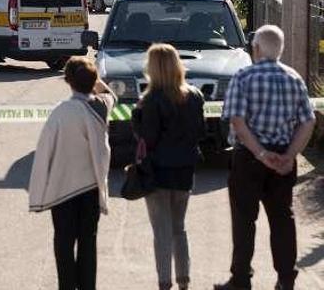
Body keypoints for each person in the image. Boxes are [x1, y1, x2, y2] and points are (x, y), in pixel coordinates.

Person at [215, 25, 316, 290]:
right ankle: (285, 279)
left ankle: (241, 279)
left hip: (248, 158)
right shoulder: (294, 79)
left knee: (244, 220)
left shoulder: (244, 76)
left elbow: (237, 120)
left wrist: (260, 153)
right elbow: (308, 122)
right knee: (283, 219)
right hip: (283, 159)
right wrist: (290, 155)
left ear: (256, 48)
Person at [28, 57, 115, 290]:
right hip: (91, 189)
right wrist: (94, 80)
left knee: (64, 243)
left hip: (62, 190)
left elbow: (45, 151)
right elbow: (110, 94)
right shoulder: (100, 107)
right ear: (93, 80)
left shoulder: (60, 112)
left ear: (67, 81)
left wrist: (38, 193)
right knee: (89, 242)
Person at [132, 44, 205, 290]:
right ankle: (184, 280)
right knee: (179, 229)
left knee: (161, 232)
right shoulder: (194, 96)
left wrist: (136, 116)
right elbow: (201, 132)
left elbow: (147, 137)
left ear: (152, 68)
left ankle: (164, 282)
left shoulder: (151, 100)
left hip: (158, 172)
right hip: (185, 170)